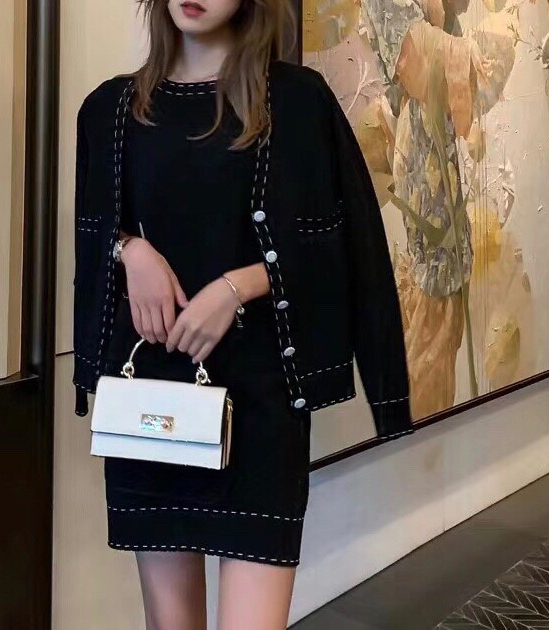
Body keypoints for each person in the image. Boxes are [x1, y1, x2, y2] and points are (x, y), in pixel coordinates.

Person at [72, 1, 412, 627]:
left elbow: (345, 246)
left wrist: (238, 287)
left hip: (261, 401)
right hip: (153, 398)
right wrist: (129, 251)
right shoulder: (109, 109)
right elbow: (92, 233)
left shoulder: (299, 102)